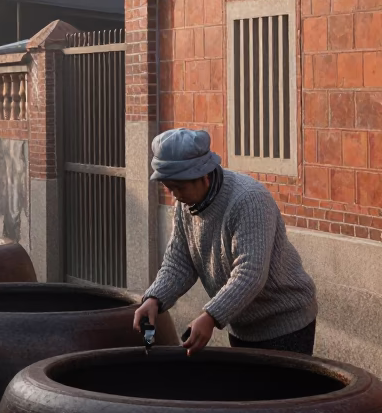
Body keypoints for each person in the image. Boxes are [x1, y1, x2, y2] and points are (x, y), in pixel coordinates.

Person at [133, 128, 317, 356]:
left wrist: (210, 317)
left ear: (204, 176)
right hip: (242, 325)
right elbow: (179, 262)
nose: (175, 195)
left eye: (180, 187)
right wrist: (154, 298)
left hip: (285, 322)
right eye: (169, 187)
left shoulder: (248, 200)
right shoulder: (185, 205)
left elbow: (250, 273)